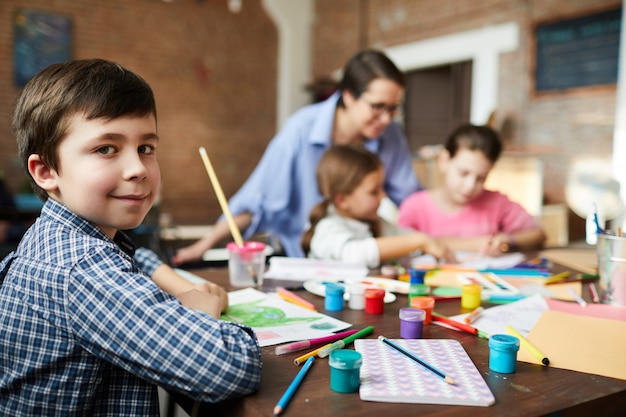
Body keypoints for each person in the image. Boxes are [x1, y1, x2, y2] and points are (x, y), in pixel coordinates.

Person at [0, 59, 262, 416]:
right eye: (106, 148)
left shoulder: (60, 237)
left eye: (146, 148)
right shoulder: (81, 269)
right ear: (46, 171)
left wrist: (180, 286)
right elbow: (230, 365)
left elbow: (136, 259)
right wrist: (200, 312)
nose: (138, 168)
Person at [172, 49, 421, 264]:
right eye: (378, 107)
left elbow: (412, 199)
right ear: (348, 96)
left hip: (365, 263)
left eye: (394, 108)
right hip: (303, 262)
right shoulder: (300, 130)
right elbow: (259, 201)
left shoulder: (391, 134)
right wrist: (204, 244)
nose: (387, 118)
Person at [397, 124, 546, 256]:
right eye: (463, 173)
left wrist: (506, 239)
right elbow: (399, 245)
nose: (470, 186)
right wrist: (475, 244)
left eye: (481, 178)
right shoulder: (414, 207)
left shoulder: (497, 203)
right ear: (444, 161)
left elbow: (538, 235)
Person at [301, 145, 455, 268]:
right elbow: (354, 255)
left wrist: (426, 243)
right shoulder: (327, 227)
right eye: (374, 192)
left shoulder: (373, 222)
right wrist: (420, 241)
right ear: (342, 200)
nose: (383, 196)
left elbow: (407, 238)